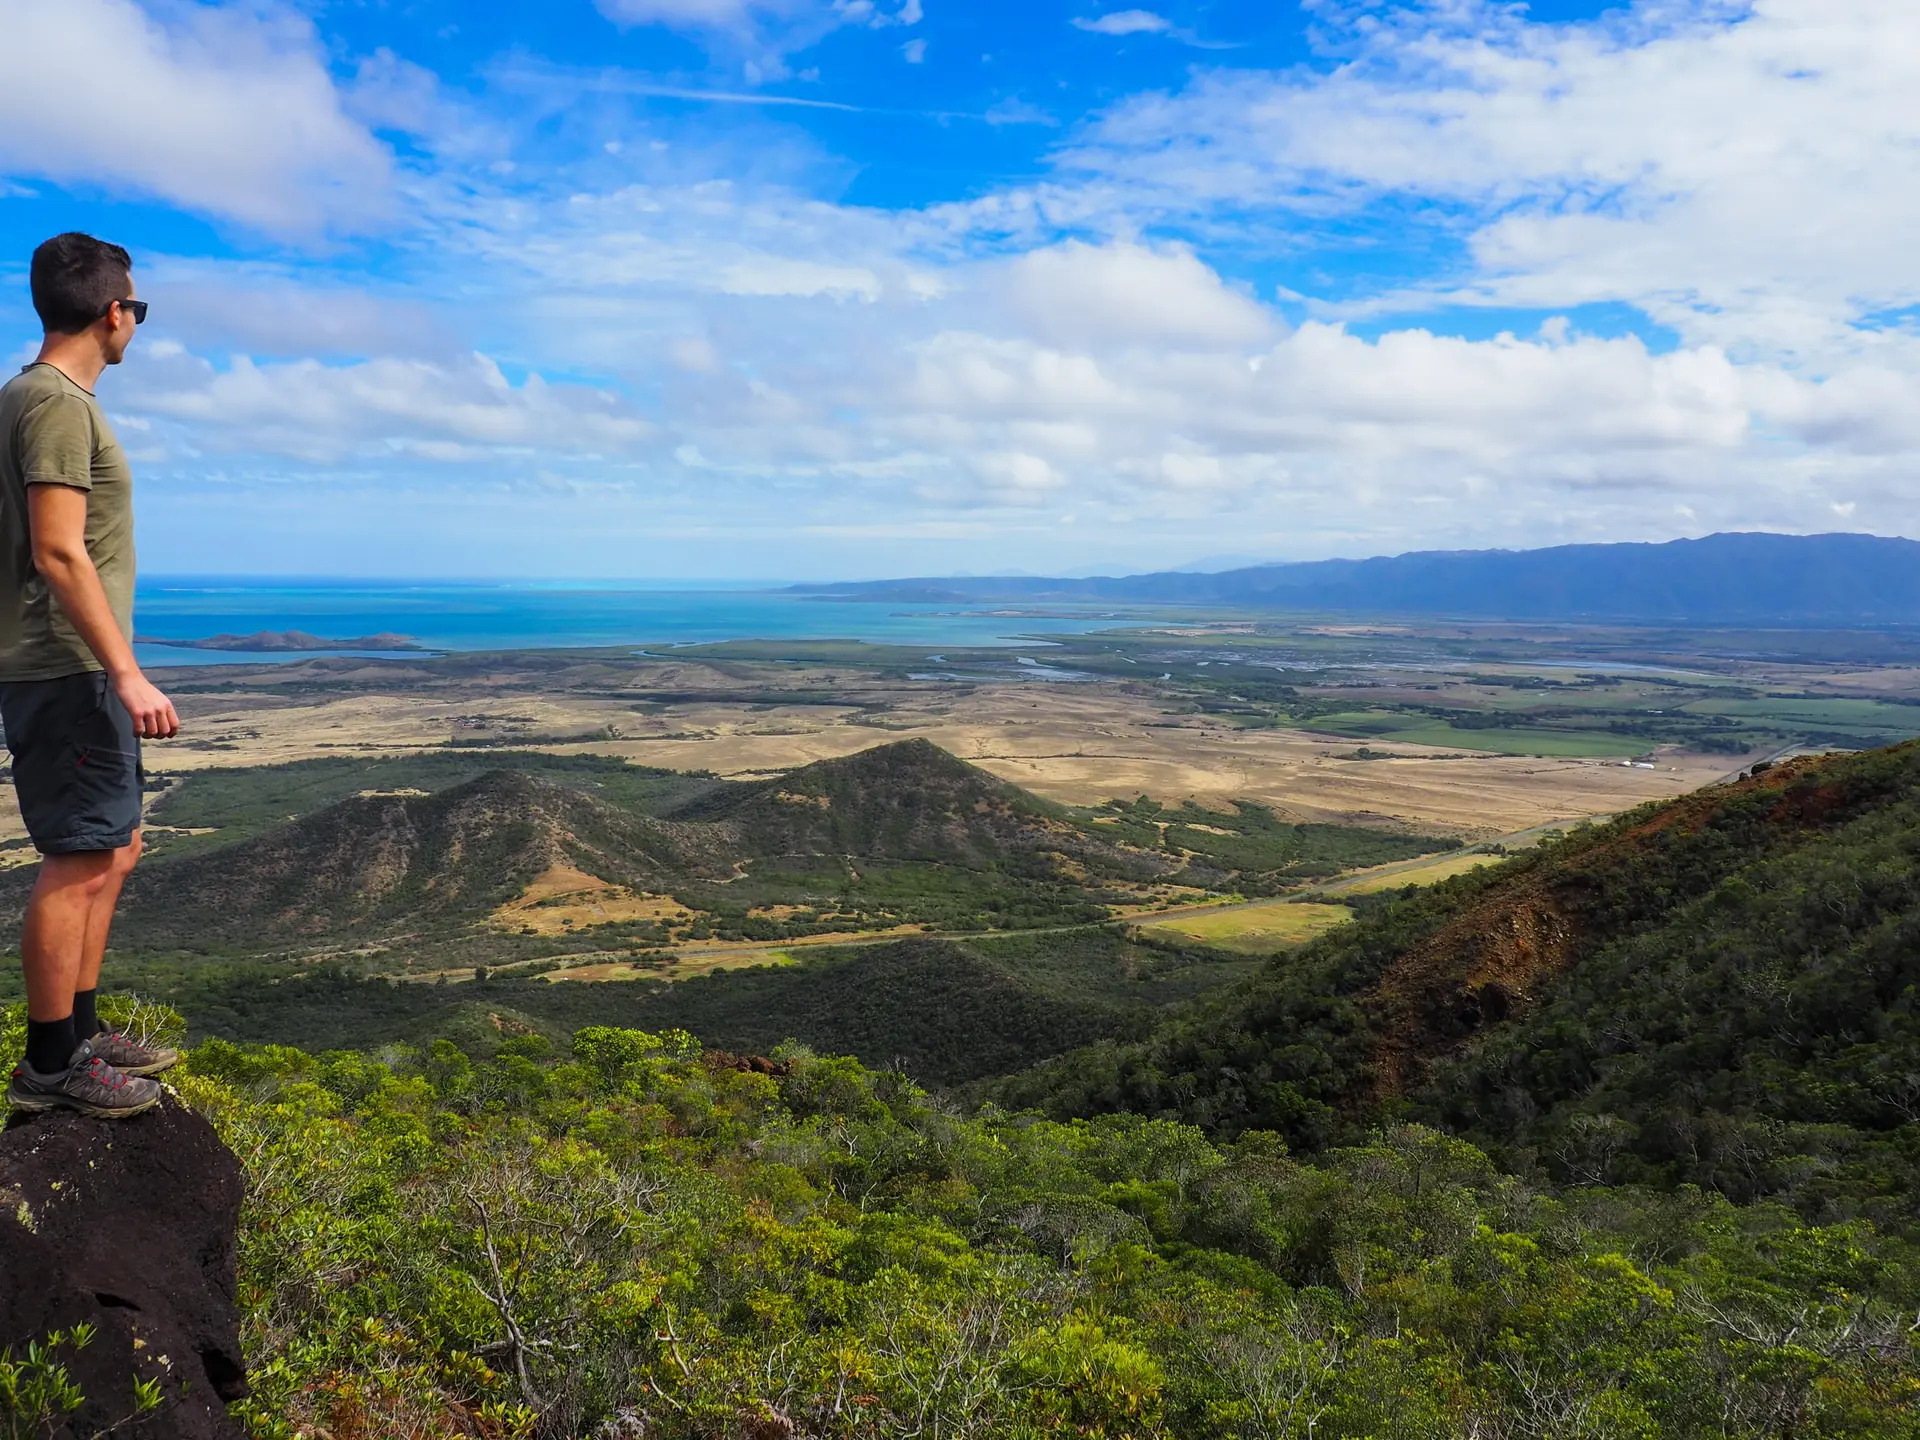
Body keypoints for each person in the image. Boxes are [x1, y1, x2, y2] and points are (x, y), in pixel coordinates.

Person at [1, 233, 181, 1118]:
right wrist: (128, 672)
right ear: (115, 313)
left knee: (114, 846)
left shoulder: (34, 400)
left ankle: (81, 1030)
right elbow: (59, 551)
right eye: (135, 311)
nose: (134, 326)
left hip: (70, 670)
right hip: (69, 670)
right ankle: (48, 1067)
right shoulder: (57, 404)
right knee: (77, 859)